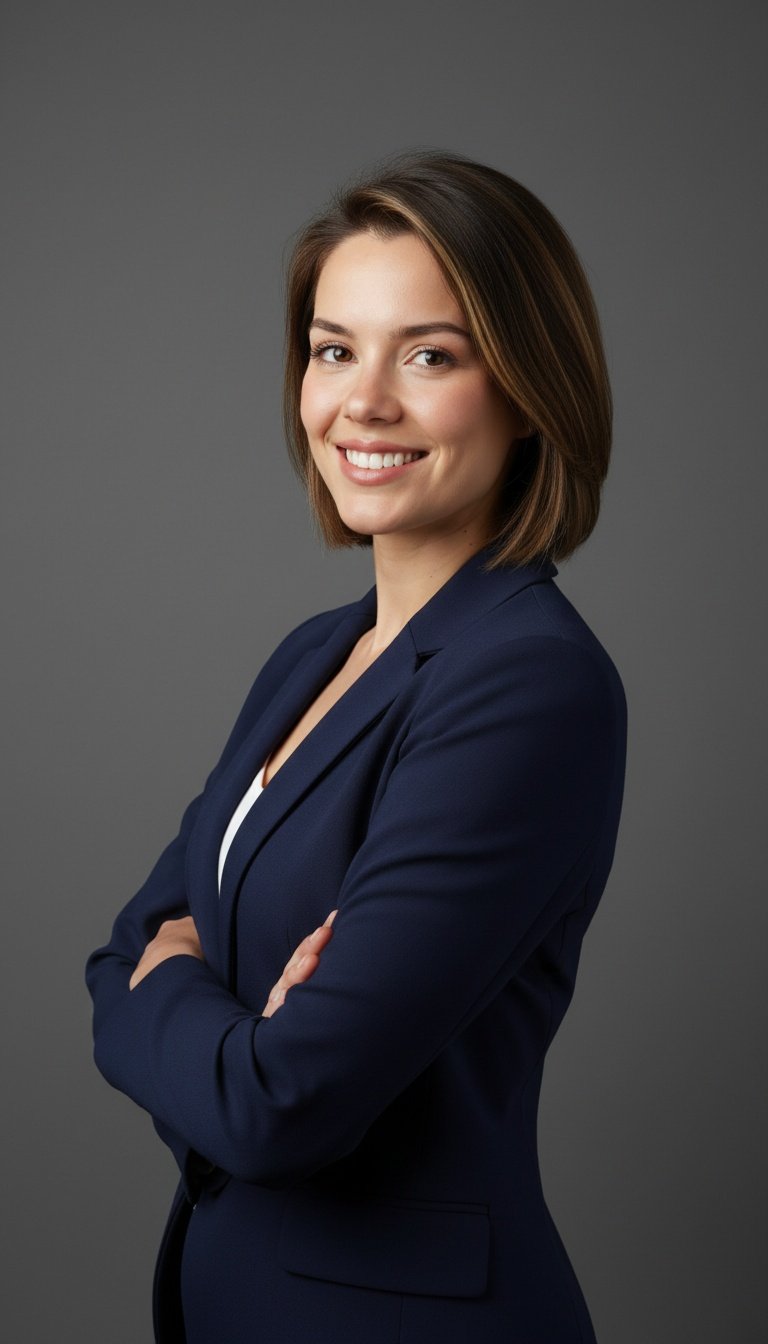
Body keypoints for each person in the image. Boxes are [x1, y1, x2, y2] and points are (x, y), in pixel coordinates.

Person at [85, 149, 627, 1344]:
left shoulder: (529, 684)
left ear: (530, 386)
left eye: (429, 354)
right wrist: (222, 1031)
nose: (361, 402)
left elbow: (282, 1103)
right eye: (334, 349)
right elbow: (111, 958)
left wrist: (178, 989)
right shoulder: (316, 653)